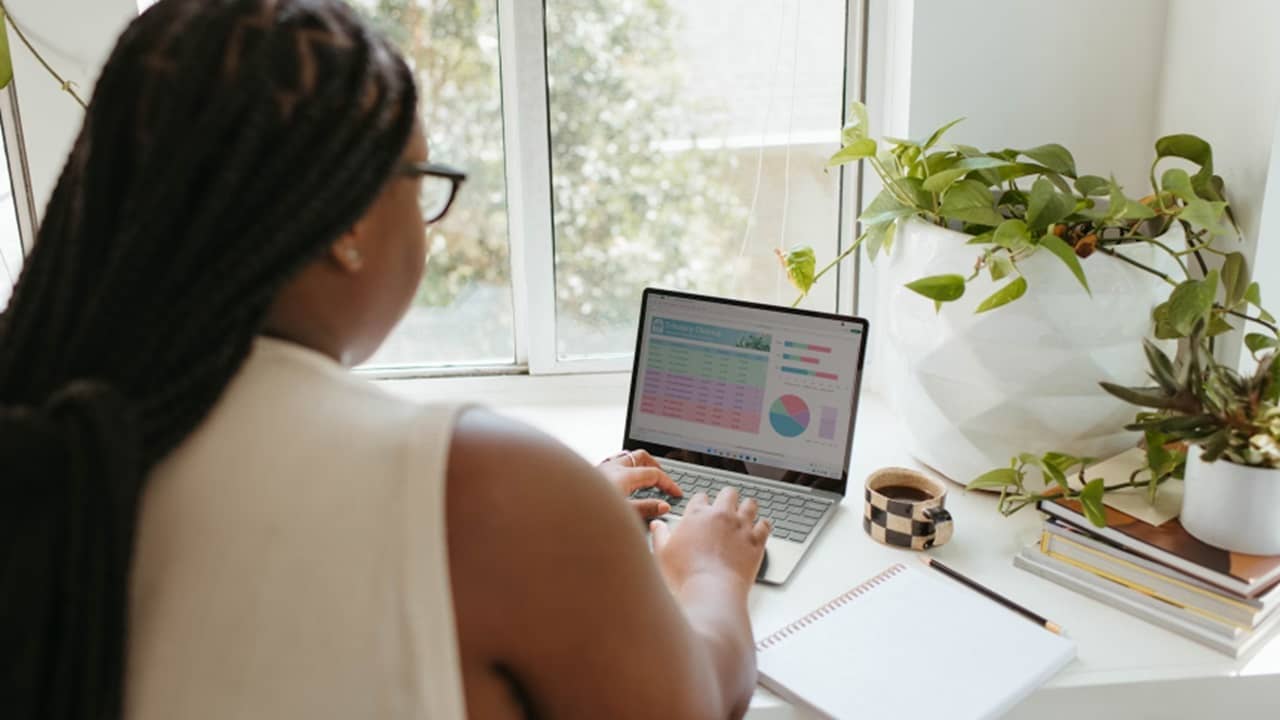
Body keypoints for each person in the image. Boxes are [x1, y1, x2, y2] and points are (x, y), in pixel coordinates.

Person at [0, 1, 769, 719]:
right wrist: (708, 572)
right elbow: (693, 703)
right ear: (349, 220)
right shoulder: (495, 494)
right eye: (424, 180)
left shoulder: (46, 420)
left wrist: (565, 528)